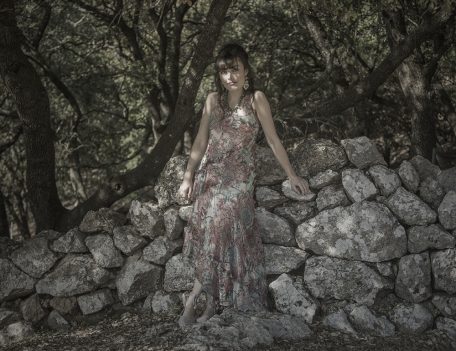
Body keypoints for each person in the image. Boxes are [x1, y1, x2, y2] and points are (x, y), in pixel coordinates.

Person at [177, 43, 310, 327]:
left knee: (220, 227)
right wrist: (188, 176)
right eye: (224, 71)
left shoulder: (256, 99)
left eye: (234, 69)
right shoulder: (213, 100)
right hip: (211, 177)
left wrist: (291, 175)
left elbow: (273, 140)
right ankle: (211, 303)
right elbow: (201, 141)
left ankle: (192, 301)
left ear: (246, 69)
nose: (230, 76)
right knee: (214, 234)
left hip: (239, 179)